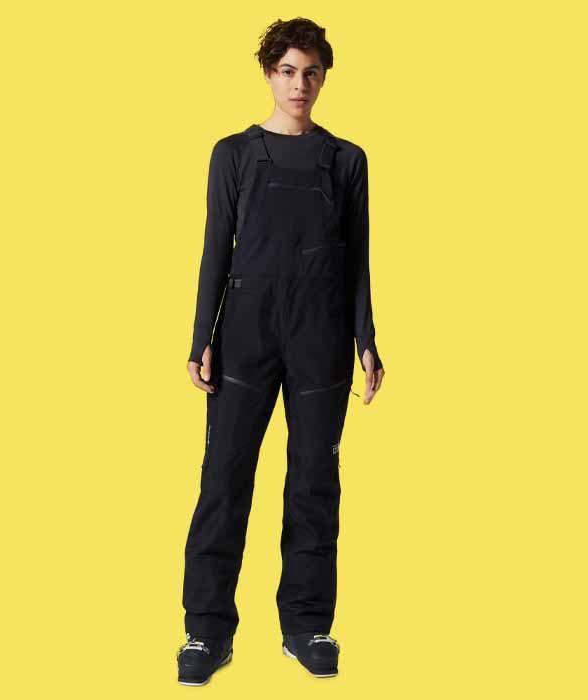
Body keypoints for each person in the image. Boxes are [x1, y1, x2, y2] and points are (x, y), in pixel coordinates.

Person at [177, 17, 385, 685]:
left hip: (321, 334)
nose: (301, 84)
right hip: (245, 334)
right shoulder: (233, 155)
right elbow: (215, 250)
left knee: (315, 483)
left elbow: (358, 259)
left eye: (312, 72)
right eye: (289, 71)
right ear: (269, 73)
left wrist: (366, 338)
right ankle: (206, 632)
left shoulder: (347, 160)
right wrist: (201, 338)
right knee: (224, 479)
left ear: (324, 78)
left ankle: (307, 625)